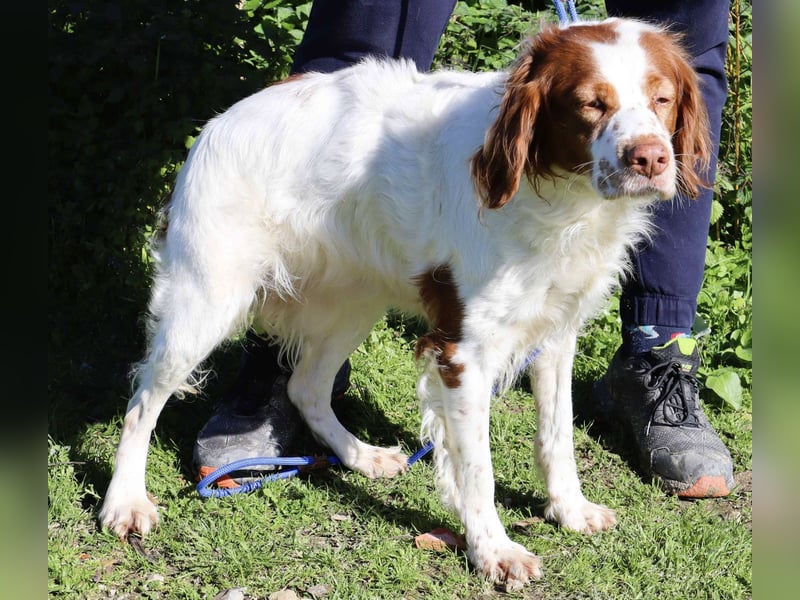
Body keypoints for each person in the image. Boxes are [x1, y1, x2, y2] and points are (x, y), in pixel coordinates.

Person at [194, 0, 735, 498]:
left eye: (661, 100)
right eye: (595, 103)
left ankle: (658, 350)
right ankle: (281, 361)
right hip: (302, 167)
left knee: (684, 14)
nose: (650, 142)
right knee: (368, 25)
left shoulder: (657, 119)